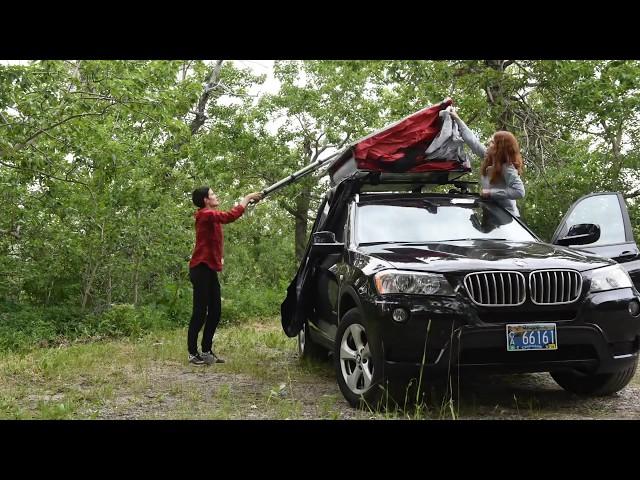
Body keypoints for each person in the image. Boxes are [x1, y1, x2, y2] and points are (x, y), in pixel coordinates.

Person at [187, 187, 263, 366]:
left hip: (209, 269)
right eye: (212, 194)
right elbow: (229, 216)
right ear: (205, 200)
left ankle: (206, 351)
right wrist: (246, 198)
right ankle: (192, 353)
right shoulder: (205, 214)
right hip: (200, 269)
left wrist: (250, 201)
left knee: (215, 311)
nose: (216, 196)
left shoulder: (210, 215)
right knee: (200, 312)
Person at [448, 106, 525, 217]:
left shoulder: (507, 167)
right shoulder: (489, 158)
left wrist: (490, 193)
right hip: (492, 214)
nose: (489, 142)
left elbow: (520, 192)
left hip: (507, 217)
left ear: (501, 148)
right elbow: (472, 141)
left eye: (493, 142)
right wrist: (456, 118)